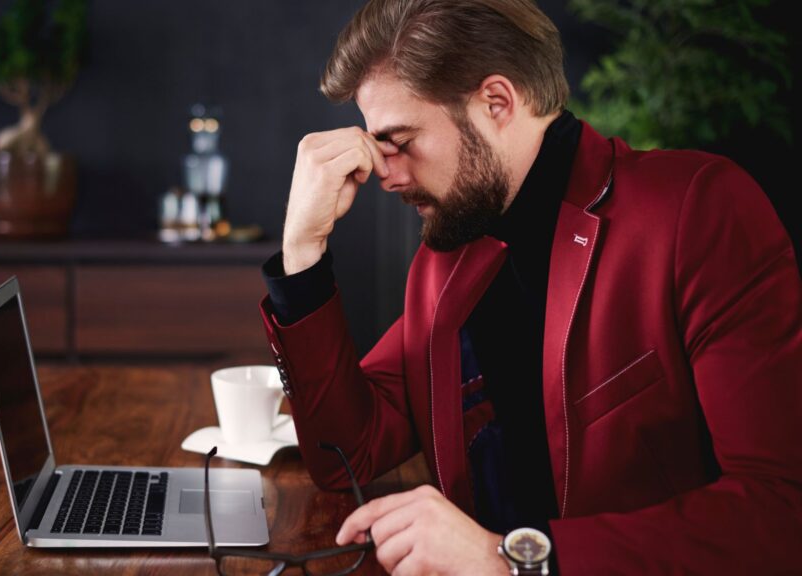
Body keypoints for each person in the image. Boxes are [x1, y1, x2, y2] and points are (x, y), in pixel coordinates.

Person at [257, 0, 802, 574]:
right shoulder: (445, 261)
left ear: (497, 102)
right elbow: (349, 453)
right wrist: (302, 255)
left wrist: (512, 559)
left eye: (401, 140)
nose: (384, 175)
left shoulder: (698, 208)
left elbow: (783, 510)